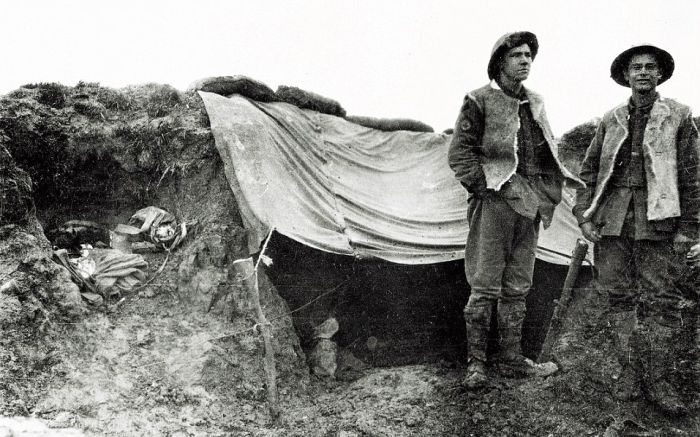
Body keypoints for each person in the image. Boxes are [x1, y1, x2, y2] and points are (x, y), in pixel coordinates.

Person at [448, 31, 582, 389]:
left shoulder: (535, 103)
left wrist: (542, 195)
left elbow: (545, 155)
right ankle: (476, 365)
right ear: (500, 63)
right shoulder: (478, 100)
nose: (525, 61)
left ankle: (510, 358)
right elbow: (460, 155)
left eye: (529, 56)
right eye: (517, 56)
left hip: (529, 206)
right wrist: (486, 189)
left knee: (518, 285)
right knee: (484, 282)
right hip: (494, 202)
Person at [573, 44, 700, 415]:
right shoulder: (611, 119)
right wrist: (584, 216)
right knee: (619, 298)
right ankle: (630, 377)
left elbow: (693, 175)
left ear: (659, 75)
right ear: (626, 76)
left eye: (650, 67)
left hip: (661, 221)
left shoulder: (679, 116)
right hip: (613, 223)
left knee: (662, 301)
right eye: (636, 68)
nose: (643, 73)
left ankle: (659, 383)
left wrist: (689, 229)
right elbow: (589, 171)